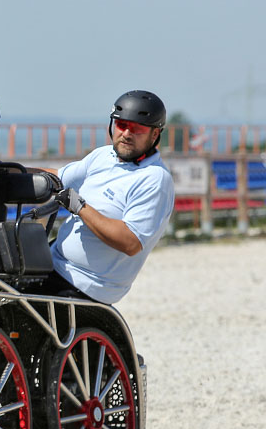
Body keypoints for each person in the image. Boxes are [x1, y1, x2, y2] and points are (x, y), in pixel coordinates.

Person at [35, 90, 175, 304]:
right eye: (122, 125)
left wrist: (81, 207)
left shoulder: (155, 179)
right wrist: (3, 170)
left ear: (154, 135)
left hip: (87, 285)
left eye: (136, 128)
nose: (127, 133)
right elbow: (56, 177)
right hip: (55, 263)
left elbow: (130, 242)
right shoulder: (104, 155)